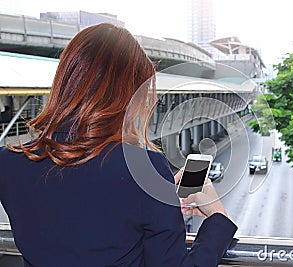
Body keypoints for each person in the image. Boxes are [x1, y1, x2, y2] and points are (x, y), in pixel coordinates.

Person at [0, 23, 237, 266]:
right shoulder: (145, 171)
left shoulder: (7, 162)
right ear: (129, 97)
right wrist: (217, 218)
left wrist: (158, 195)